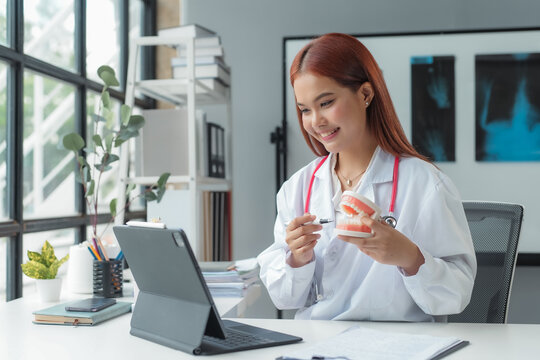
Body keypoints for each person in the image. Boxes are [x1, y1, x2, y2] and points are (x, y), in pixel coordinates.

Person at [257, 33, 476, 322]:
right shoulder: (298, 188)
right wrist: (297, 259)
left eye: (326, 103)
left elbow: (456, 294)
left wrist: (410, 257)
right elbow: (285, 298)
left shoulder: (424, 184)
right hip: (320, 344)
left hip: (399, 346)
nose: (316, 122)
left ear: (365, 95)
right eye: (305, 110)